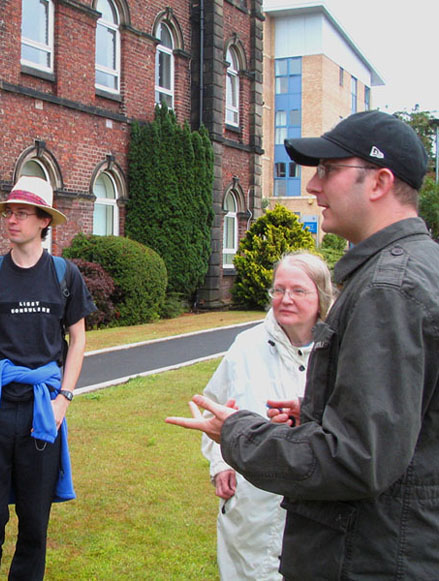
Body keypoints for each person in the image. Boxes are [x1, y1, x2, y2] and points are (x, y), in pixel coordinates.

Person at [167, 110, 439, 579]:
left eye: (329, 170)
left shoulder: (387, 288)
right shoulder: (416, 266)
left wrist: (239, 433)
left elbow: (356, 459)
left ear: (379, 182)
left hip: (369, 555)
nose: (313, 186)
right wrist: (322, 410)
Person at [0, 176, 96, 580]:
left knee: (35, 519)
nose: (12, 220)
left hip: (42, 409)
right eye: (9, 212)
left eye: (22, 213)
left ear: (44, 221)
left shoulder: (65, 276)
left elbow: (78, 338)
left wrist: (63, 400)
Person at [200, 252, 333, 581]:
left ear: (322, 297)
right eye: (278, 290)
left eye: (298, 291)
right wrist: (220, 464)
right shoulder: (246, 346)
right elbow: (216, 409)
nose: (285, 299)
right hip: (252, 507)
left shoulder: (340, 351)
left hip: (318, 508)